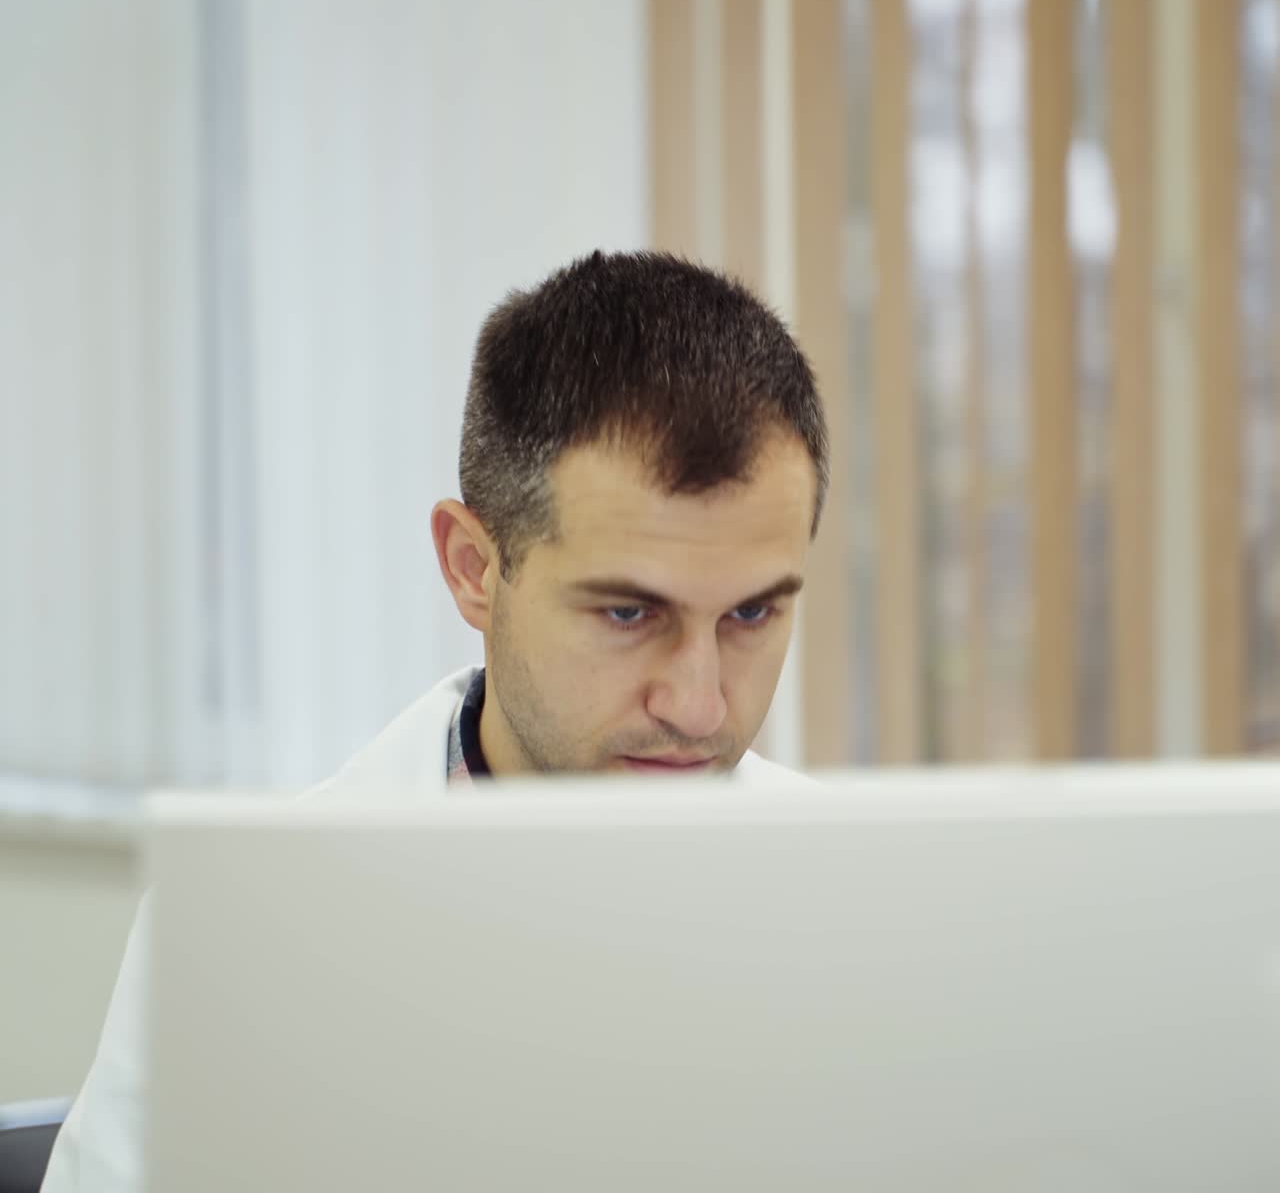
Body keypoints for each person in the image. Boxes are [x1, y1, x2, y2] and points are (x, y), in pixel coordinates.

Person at [41, 250, 830, 1191]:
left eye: (750, 614)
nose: (700, 705)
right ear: (473, 567)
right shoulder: (246, 942)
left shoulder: (872, 917)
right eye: (628, 613)